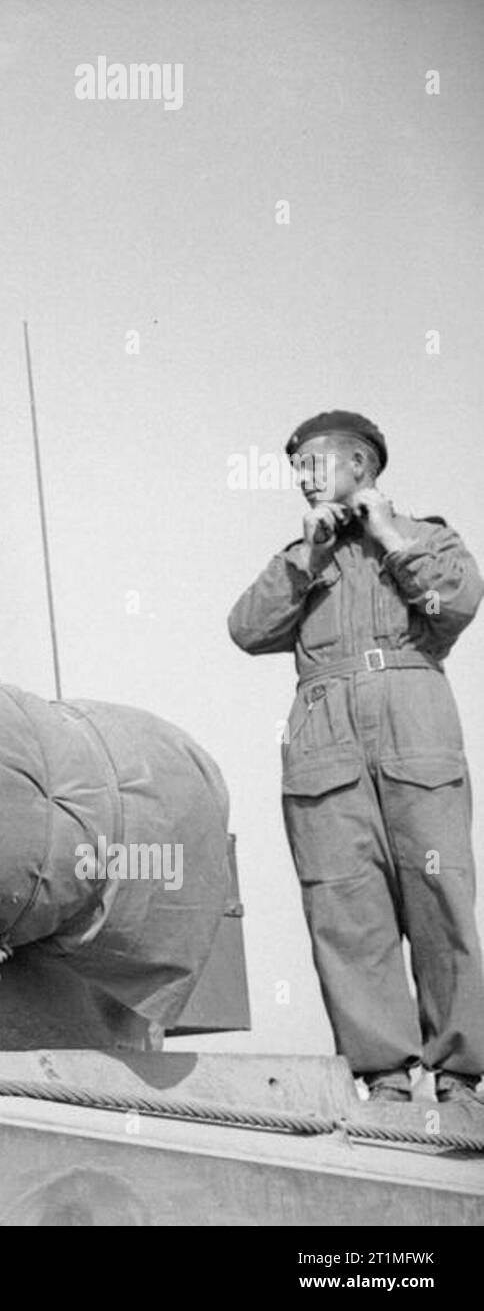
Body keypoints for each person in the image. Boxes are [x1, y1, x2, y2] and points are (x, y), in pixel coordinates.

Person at [228, 410, 484, 1106]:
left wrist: (391, 537)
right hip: (323, 734)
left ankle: (462, 1078)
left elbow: (457, 601)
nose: (304, 478)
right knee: (345, 906)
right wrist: (305, 558)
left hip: (413, 719)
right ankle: (386, 1080)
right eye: (298, 468)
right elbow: (246, 628)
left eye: (315, 463)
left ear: (361, 466)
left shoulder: (426, 535)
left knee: (441, 898)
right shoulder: (304, 553)